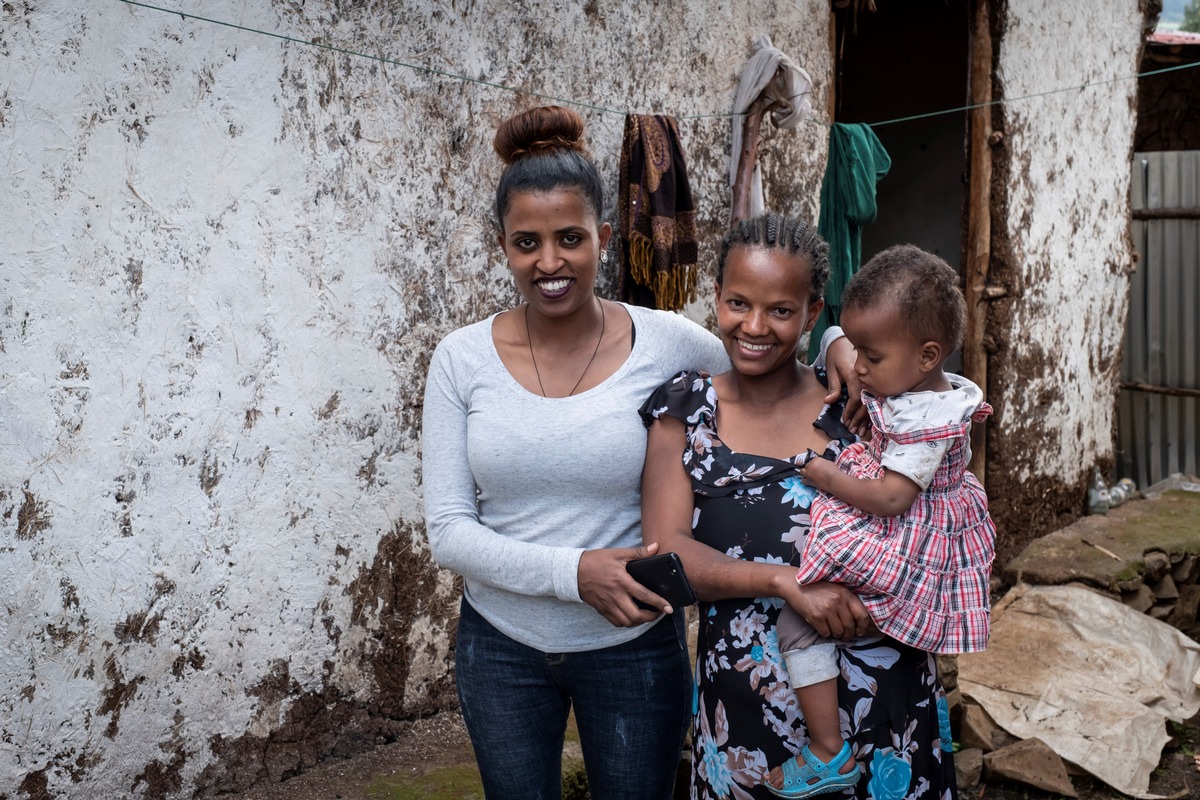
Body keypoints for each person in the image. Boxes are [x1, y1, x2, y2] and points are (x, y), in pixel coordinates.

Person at [421, 108, 857, 800]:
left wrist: (836, 338)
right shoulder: (460, 360)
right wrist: (576, 572)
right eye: (526, 242)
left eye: (570, 238)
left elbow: (768, 354)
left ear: (603, 237)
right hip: (500, 647)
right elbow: (448, 530)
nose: (550, 262)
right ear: (501, 245)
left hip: (634, 649)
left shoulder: (669, 345)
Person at [640, 215, 960, 800]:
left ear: (813, 314)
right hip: (748, 715)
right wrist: (789, 582)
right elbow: (664, 554)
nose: (754, 326)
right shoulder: (686, 413)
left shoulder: (863, 403)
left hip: (883, 701)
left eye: (781, 311)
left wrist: (841, 343)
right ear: (716, 297)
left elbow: (939, 507)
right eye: (737, 303)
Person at [766, 244, 995, 797]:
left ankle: (827, 751)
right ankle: (934, 718)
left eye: (871, 356)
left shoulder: (923, 425)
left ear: (926, 354)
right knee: (917, 632)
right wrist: (841, 344)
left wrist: (826, 477)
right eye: (856, 350)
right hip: (921, 539)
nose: (858, 368)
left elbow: (892, 498)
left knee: (797, 624)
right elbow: (843, 344)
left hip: (902, 537)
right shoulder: (925, 389)